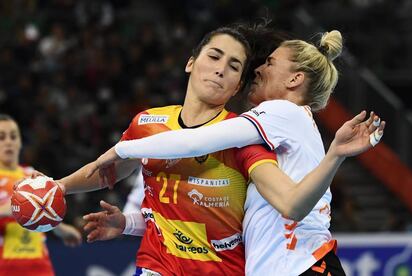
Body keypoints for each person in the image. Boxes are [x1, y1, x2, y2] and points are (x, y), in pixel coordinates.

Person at [84, 30, 386, 276]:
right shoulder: (284, 132)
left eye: (269, 62)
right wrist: (129, 223)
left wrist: (121, 150)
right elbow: (289, 204)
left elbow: (194, 142)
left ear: (294, 80)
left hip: (303, 266)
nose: (258, 68)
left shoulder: (281, 111)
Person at [49, 24, 281, 276]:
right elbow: (107, 170)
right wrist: (60, 187)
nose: (220, 69)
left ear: (237, 86)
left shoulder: (242, 135)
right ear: (190, 63)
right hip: (157, 265)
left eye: (234, 66)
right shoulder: (147, 124)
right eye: (214, 56)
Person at [0, 114, 82, 276]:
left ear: (20, 142)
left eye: (13, 136)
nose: (8, 141)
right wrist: (7, 210)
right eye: (2, 137)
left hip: (39, 266)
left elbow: (41, 216)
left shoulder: (31, 175)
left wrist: (60, 228)